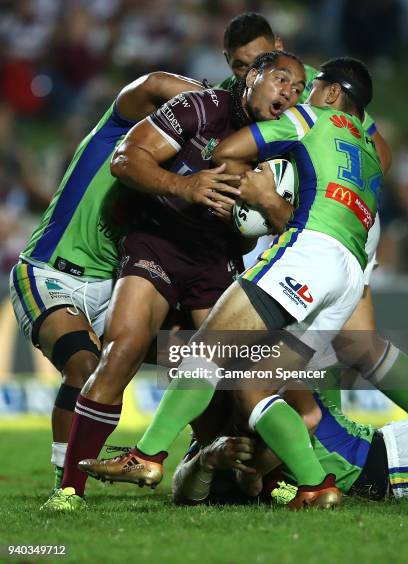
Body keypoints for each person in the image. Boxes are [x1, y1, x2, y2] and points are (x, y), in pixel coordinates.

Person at [78, 57, 381, 509]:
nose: (299, 96)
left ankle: (147, 455)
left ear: (333, 93)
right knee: (254, 386)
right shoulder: (372, 153)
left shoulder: (311, 118)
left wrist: (257, 194)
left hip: (310, 253)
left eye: (309, 86)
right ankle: (318, 486)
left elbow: (226, 152)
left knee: (206, 349)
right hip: (350, 274)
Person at [41, 51, 307, 512]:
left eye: (299, 87)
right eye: (281, 78)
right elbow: (126, 159)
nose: (290, 91)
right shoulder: (201, 108)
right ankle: (69, 491)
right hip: (157, 244)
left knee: (245, 380)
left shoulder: (285, 147)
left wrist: (249, 220)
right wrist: (184, 186)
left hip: (214, 263)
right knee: (121, 349)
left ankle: (268, 479)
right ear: (251, 77)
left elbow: (265, 232)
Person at [9, 70, 212, 490]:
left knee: (204, 356)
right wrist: (214, 102)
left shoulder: (171, 172)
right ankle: (67, 482)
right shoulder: (121, 130)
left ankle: (210, 452)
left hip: (112, 290)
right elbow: (155, 83)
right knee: (84, 366)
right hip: (49, 273)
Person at [219, 12, 393, 412]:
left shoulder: (318, 88)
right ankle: (318, 442)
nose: (255, 73)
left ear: (279, 49)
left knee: (280, 344)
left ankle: (320, 440)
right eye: (242, 66)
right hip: (315, 220)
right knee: (356, 345)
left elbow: (379, 155)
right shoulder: (243, 90)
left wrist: (311, 194)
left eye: (263, 60)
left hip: (332, 219)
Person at [172, 389, 406, 507]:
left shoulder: (267, 378)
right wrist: (206, 460)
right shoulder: (219, 441)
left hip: (388, 456)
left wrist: (252, 471)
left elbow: (308, 419)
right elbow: (182, 491)